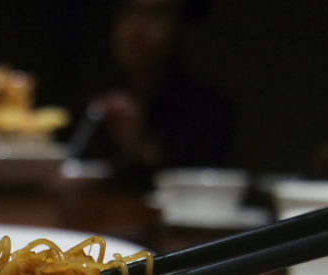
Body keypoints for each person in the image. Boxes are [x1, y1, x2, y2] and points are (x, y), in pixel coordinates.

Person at [70, 0, 235, 189]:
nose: (136, 28)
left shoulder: (210, 110)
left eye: (155, 15)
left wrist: (142, 147)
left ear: (188, 32)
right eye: (130, 11)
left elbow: (198, 191)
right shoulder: (89, 99)